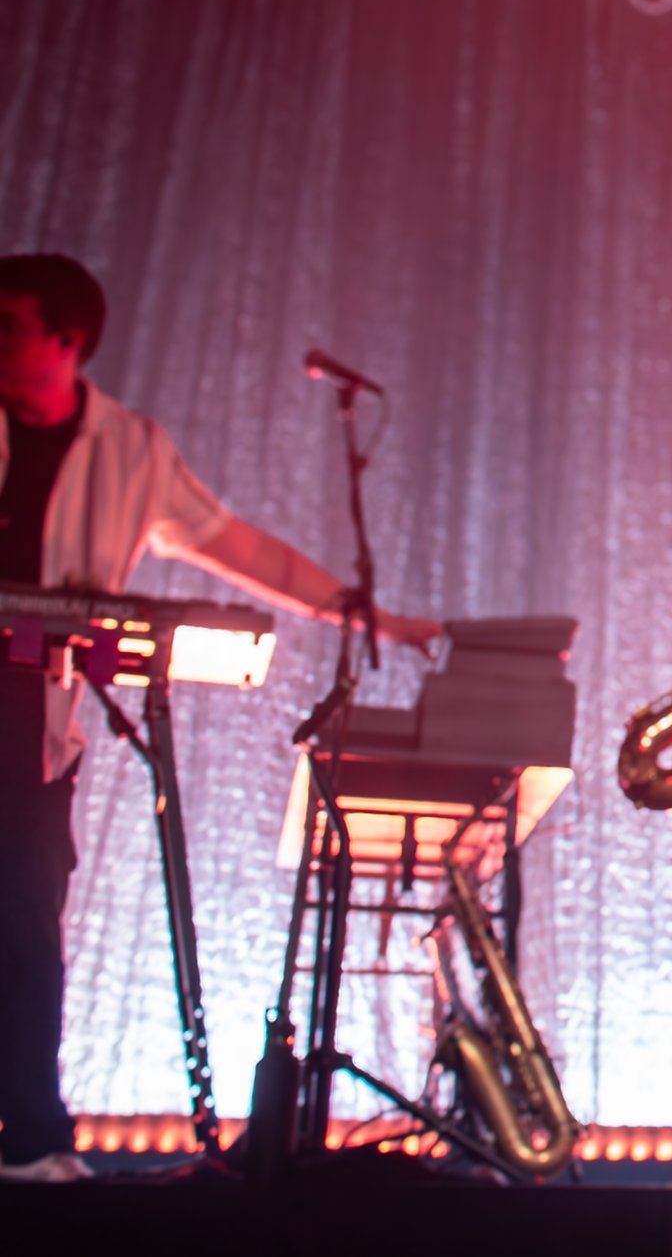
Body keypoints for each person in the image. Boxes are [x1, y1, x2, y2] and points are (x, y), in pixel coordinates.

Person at [0, 253, 440, 1185]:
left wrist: (369, 616)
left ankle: (33, 1141)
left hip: (28, 727)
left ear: (66, 342)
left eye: (11, 325)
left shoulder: (128, 449)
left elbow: (240, 548)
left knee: (27, 926)